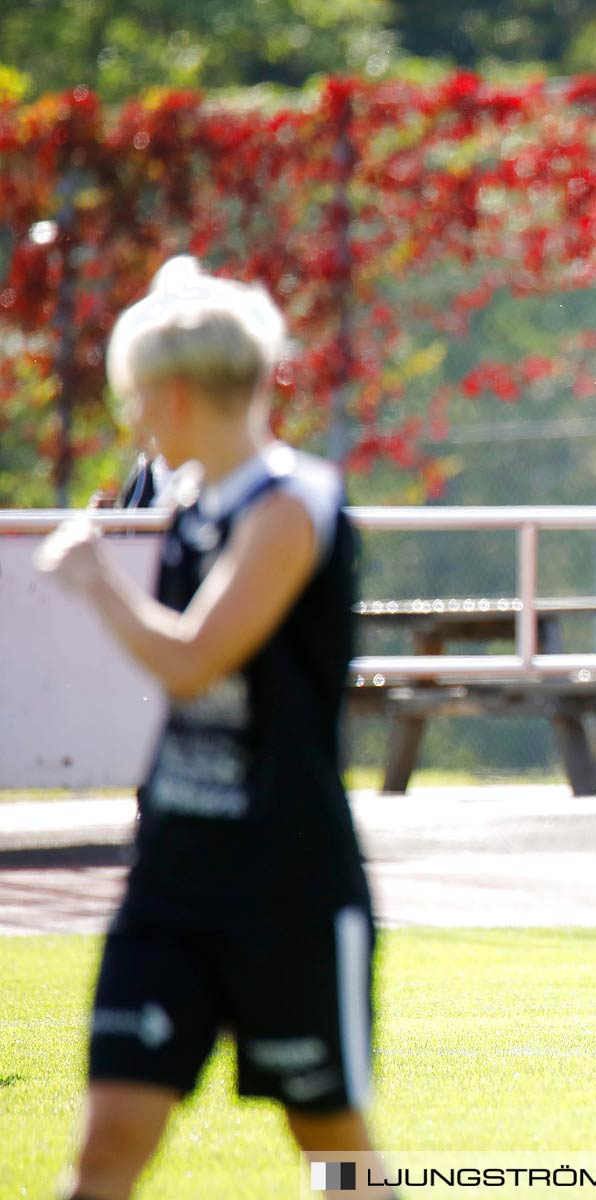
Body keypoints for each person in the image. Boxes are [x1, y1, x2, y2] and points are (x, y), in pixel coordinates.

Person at [34, 257, 392, 1200]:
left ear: (179, 394)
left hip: (287, 885)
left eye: (138, 395)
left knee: (335, 1152)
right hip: (174, 881)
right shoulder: (189, 503)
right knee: (105, 1148)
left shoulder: (293, 505)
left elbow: (197, 658)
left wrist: (92, 578)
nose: (132, 417)